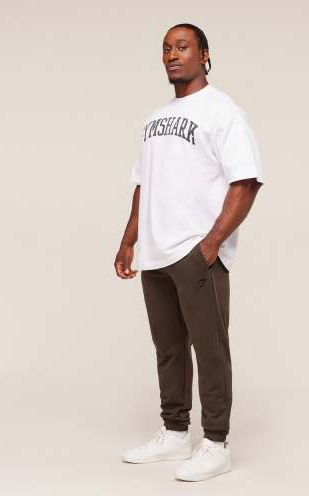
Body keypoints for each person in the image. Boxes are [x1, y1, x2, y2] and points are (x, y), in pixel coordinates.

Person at [114, 22, 264, 482]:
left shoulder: (223, 111)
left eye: (182, 47)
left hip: (196, 251)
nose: (172, 55)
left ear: (204, 55)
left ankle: (216, 443)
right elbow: (143, 183)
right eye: (166, 48)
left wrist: (212, 243)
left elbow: (246, 181)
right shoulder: (153, 118)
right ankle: (175, 432)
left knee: (210, 348)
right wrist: (129, 239)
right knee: (169, 349)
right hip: (155, 252)